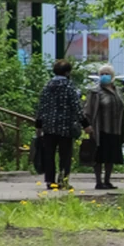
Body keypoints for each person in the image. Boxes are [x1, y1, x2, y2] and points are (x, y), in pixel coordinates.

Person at [35, 59, 87, 190]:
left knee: (49, 155)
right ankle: (63, 180)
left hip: (49, 126)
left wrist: (38, 125)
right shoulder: (69, 87)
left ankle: (50, 181)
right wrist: (85, 124)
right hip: (65, 126)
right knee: (65, 155)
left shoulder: (47, 86)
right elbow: (77, 107)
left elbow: (41, 106)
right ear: (68, 72)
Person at [84, 64, 124, 190]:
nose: (104, 76)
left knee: (111, 156)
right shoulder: (95, 92)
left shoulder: (117, 91)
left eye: (107, 73)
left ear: (112, 76)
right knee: (99, 156)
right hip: (100, 129)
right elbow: (88, 110)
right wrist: (88, 126)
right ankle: (99, 182)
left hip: (115, 128)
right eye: (102, 74)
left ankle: (107, 181)